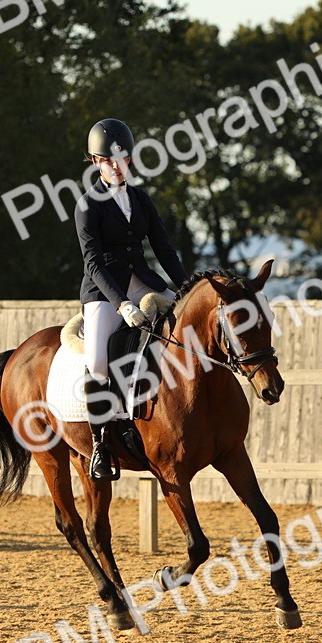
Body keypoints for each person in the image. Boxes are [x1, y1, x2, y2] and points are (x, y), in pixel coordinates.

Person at [74, 118, 189, 481]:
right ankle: (99, 446)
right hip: (104, 291)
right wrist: (121, 304)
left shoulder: (140, 199)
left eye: (121, 158)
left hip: (143, 281)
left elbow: (164, 249)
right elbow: (92, 261)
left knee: (188, 328)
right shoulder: (88, 205)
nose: (115, 165)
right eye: (108, 160)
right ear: (96, 162)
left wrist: (186, 290)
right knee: (97, 362)